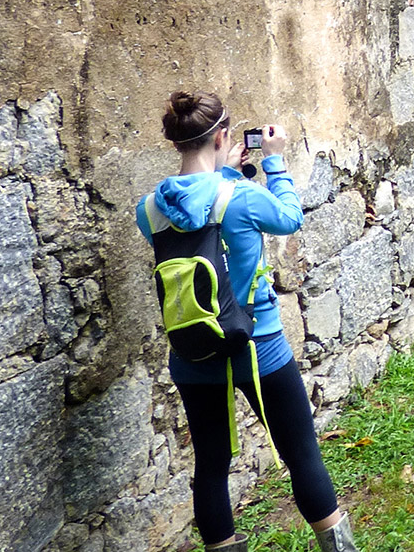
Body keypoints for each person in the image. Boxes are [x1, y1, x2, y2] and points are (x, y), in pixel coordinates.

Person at [135, 92, 358, 552]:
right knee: (301, 454)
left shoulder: (149, 209)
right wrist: (273, 162)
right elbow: (289, 218)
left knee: (211, 469)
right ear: (221, 137)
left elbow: (198, 218)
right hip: (259, 345)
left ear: (179, 142)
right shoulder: (242, 196)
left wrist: (225, 172)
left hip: (193, 351)